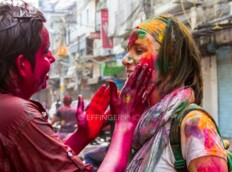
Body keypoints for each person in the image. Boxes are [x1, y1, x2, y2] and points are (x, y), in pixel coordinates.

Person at [0, 1, 153, 171]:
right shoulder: (19, 115)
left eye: (139, 51)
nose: (52, 58)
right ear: (22, 65)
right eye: (45, 52)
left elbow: (49, 165)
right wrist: (124, 125)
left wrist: (82, 136)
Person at [101, 15, 229, 171]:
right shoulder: (142, 129)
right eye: (129, 51)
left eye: (139, 50)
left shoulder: (195, 126)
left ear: (171, 59)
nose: (125, 59)